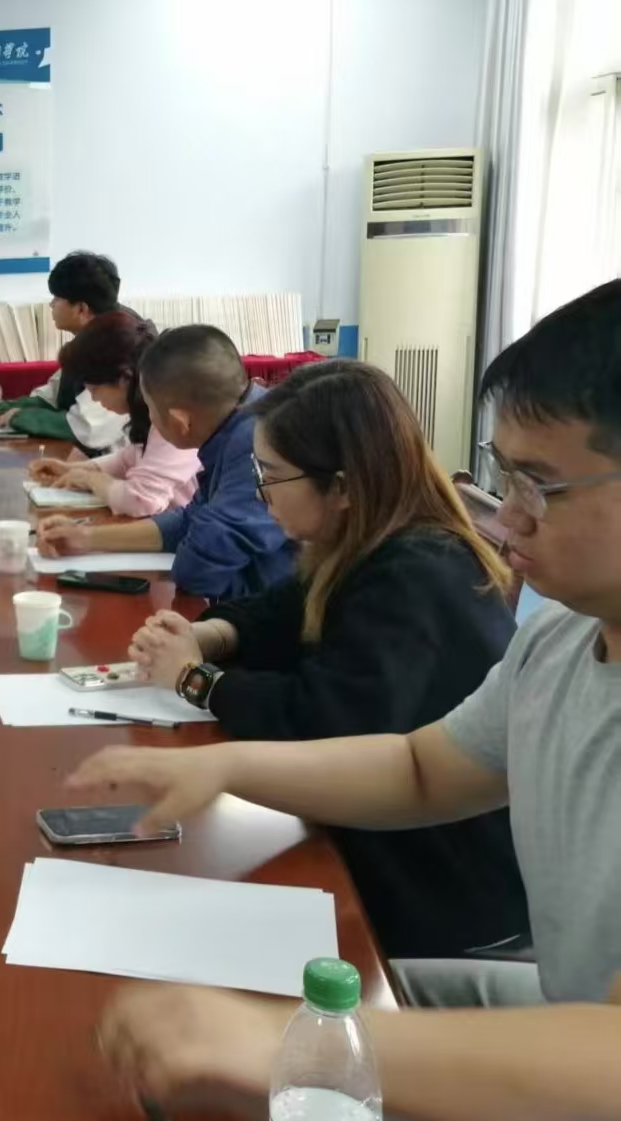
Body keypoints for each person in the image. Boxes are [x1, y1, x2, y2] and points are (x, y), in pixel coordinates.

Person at [76, 280, 621, 1121]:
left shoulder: (423, 573)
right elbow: (420, 767)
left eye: (540, 486)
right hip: (554, 999)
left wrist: (283, 1041)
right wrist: (227, 765)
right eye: (505, 475)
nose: (508, 517)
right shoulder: (562, 640)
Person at [126, 360, 527, 959]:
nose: (260, 493)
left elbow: (325, 722)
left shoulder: (415, 574)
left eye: (271, 475)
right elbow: (277, 611)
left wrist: (193, 679)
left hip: (438, 894)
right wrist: (203, 636)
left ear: (341, 487)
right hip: (378, 844)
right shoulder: (361, 543)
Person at [39, 325, 296, 600]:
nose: (148, 417)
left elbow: (202, 561)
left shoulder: (262, 441)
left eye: (150, 408)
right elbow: (190, 521)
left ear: (180, 421)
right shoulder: (237, 423)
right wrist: (86, 538)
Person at [25, 312, 199, 518]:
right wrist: (73, 469)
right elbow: (130, 459)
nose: (93, 399)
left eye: (95, 390)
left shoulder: (172, 418)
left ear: (125, 377)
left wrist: (90, 479)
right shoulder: (151, 411)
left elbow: (142, 500)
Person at [0, 251, 146, 448]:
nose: (51, 304)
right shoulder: (89, 341)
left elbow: (87, 428)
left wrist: (18, 417)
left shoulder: (120, 344)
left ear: (81, 309)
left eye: (57, 298)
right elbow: (52, 396)